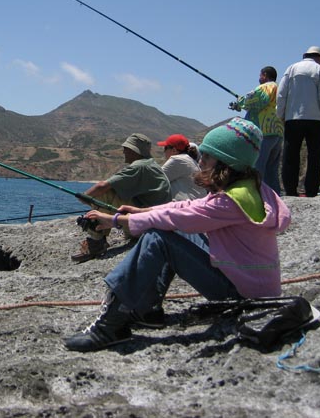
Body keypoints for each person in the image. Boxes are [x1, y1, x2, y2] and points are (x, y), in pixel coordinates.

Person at [64, 118, 290, 352]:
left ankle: (109, 327)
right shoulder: (251, 187)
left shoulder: (230, 202)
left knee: (159, 238)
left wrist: (114, 220)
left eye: (208, 157)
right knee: (169, 229)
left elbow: (176, 217)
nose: (200, 160)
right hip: (253, 286)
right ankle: (147, 310)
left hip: (244, 296)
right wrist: (144, 211)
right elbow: (186, 208)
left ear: (227, 163)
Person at [72, 133, 171, 263]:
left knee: (104, 193)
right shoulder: (150, 164)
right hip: (155, 222)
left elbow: (103, 186)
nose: (123, 151)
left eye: (126, 148)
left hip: (148, 225)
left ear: (134, 151)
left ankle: (96, 242)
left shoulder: (139, 166)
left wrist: (84, 197)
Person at [276, 46, 320, 197]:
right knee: (314, 156)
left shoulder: (291, 69)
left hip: (293, 118)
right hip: (315, 120)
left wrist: (281, 114)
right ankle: (311, 191)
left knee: (290, 156)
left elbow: (281, 94)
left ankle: (290, 190)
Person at [229, 66, 284, 194]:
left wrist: (241, 103)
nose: (259, 78)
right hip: (278, 131)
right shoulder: (280, 88)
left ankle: (257, 196)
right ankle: (275, 197)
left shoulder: (267, 86)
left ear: (264, 75)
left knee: (258, 167)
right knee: (272, 169)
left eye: (260, 75)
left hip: (264, 131)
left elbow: (257, 99)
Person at [157, 134, 205, 201]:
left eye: (165, 148)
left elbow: (155, 181)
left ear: (174, 150)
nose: (164, 151)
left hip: (187, 207)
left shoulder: (178, 160)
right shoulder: (188, 159)